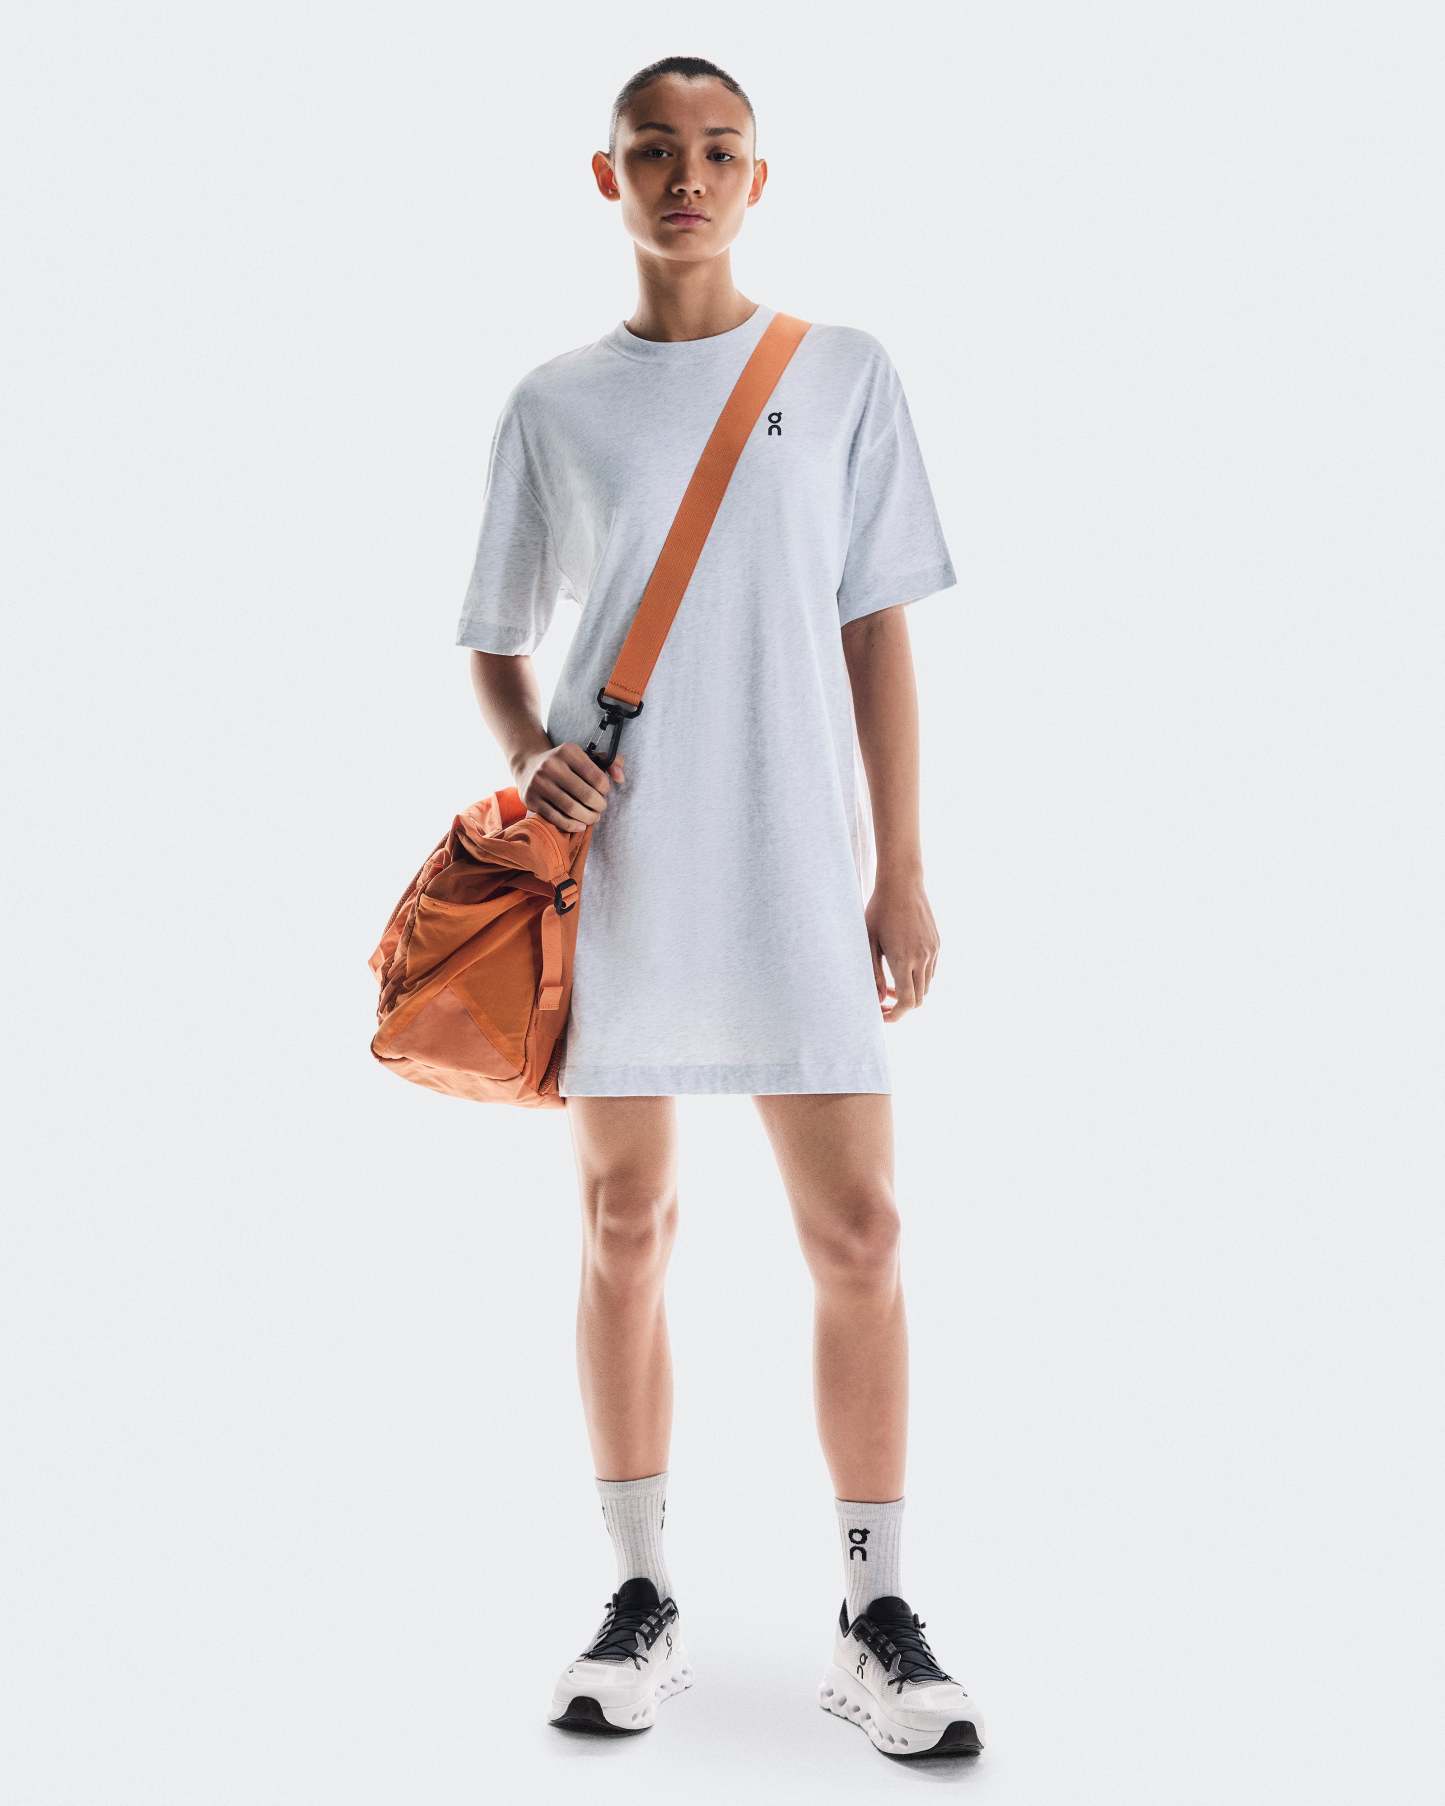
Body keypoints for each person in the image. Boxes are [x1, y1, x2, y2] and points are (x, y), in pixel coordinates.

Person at [456, 55, 985, 1760]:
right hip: (624, 869)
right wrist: (528, 755)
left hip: (795, 864)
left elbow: (873, 628)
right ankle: (637, 1593)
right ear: (603, 176)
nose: (684, 176)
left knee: (862, 1231)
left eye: (717, 150)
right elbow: (494, 636)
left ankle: (874, 1610)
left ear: (760, 177)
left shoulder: (840, 374)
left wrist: (899, 866)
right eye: (652, 151)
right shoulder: (553, 402)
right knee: (625, 1222)